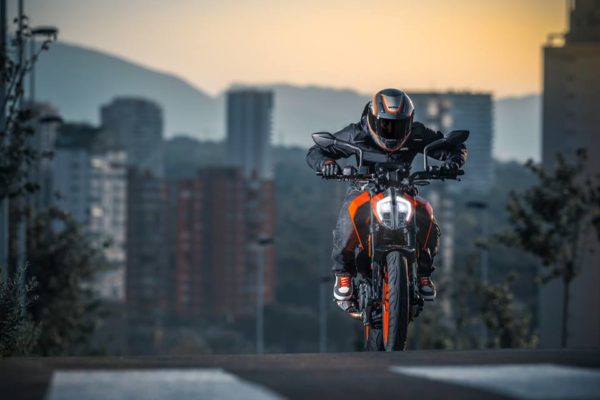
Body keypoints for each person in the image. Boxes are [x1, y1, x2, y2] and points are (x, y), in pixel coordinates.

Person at [306, 88, 467, 311]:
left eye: (398, 125)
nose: (391, 131)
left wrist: (452, 162)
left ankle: (424, 273)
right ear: (373, 120)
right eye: (386, 125)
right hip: (364, 189)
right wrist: (327, 164)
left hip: (404, 189)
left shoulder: (418, 133)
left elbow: (452, 148)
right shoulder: (356, 133)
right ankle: (343, 274)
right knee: (349, 214)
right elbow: (316, 151)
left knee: (426, 213)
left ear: (409, 122)